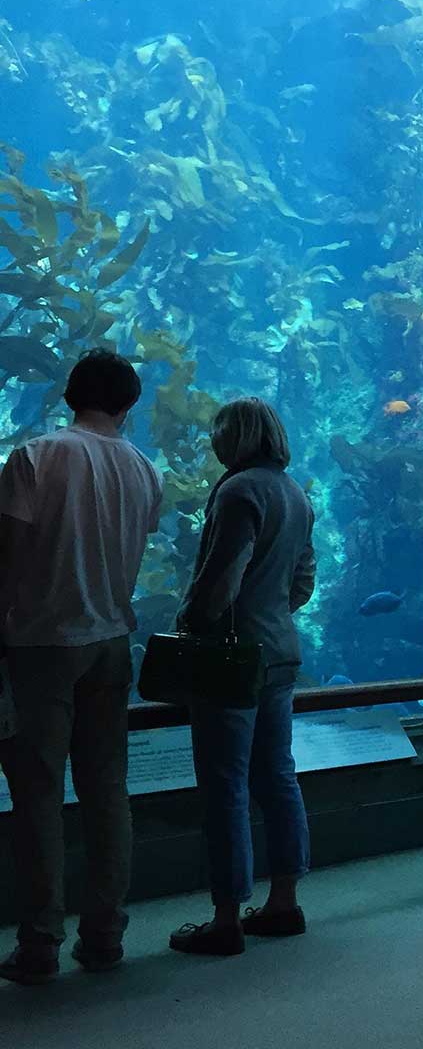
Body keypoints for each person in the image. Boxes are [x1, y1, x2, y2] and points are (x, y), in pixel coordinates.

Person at [0, 350, 162, 984]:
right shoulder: (145, 471)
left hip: (41, 643)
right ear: (128, 405)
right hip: (112, 642)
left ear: (69, 395)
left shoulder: (35, 458)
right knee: (107, 790)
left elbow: (6, 559)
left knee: (38, 794)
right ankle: (105, 933)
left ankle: (40, 940)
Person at [168, 398, 317, 957]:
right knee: (277, 776)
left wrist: (191, 622)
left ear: (235, 437)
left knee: (225, 786)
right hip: (279, 652)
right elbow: (302, 582)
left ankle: (226, 916)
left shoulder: (238, 491)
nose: (212, 442)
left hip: (233, 658)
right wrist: (270, 610)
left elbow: (220, 581)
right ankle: (283, 902)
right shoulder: (296, 493)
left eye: (217, 433)